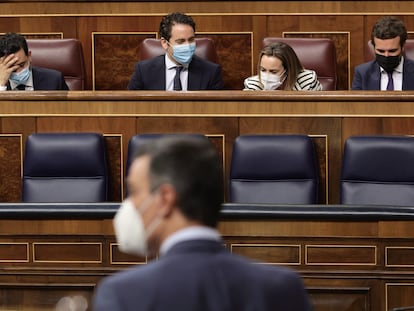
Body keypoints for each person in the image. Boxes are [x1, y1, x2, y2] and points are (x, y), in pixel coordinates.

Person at [92, 135, 313, 311]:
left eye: (134, 192)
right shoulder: (282, 288)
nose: (128, 204)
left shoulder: (124, 294)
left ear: (165, 199)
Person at [128, 12, 224, 91]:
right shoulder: (143, 71)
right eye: (180, 41)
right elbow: (132, 107)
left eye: (191, 40)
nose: (187, 46)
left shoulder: (211, 72)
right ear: (165, 43)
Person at [352, 16, 414, 90]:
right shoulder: (362, 73)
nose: (386, 55)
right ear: (374, 48)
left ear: (402, 47)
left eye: (392, 51)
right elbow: (355, 101)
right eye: (381, 51)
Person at [0, 32, 69, 91]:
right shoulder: (1, 84)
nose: (18, 72)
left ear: (29, 56)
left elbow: (70, 106)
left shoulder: (54, 80)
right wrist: (1, 85)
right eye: (12, 68)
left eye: (21, 65)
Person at [243, 42, 323, 91]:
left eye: (273, 72)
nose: (266, 76)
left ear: (288, 70)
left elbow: (317, 111)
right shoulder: (252, 85)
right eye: (263, 70)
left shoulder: (307, 80)